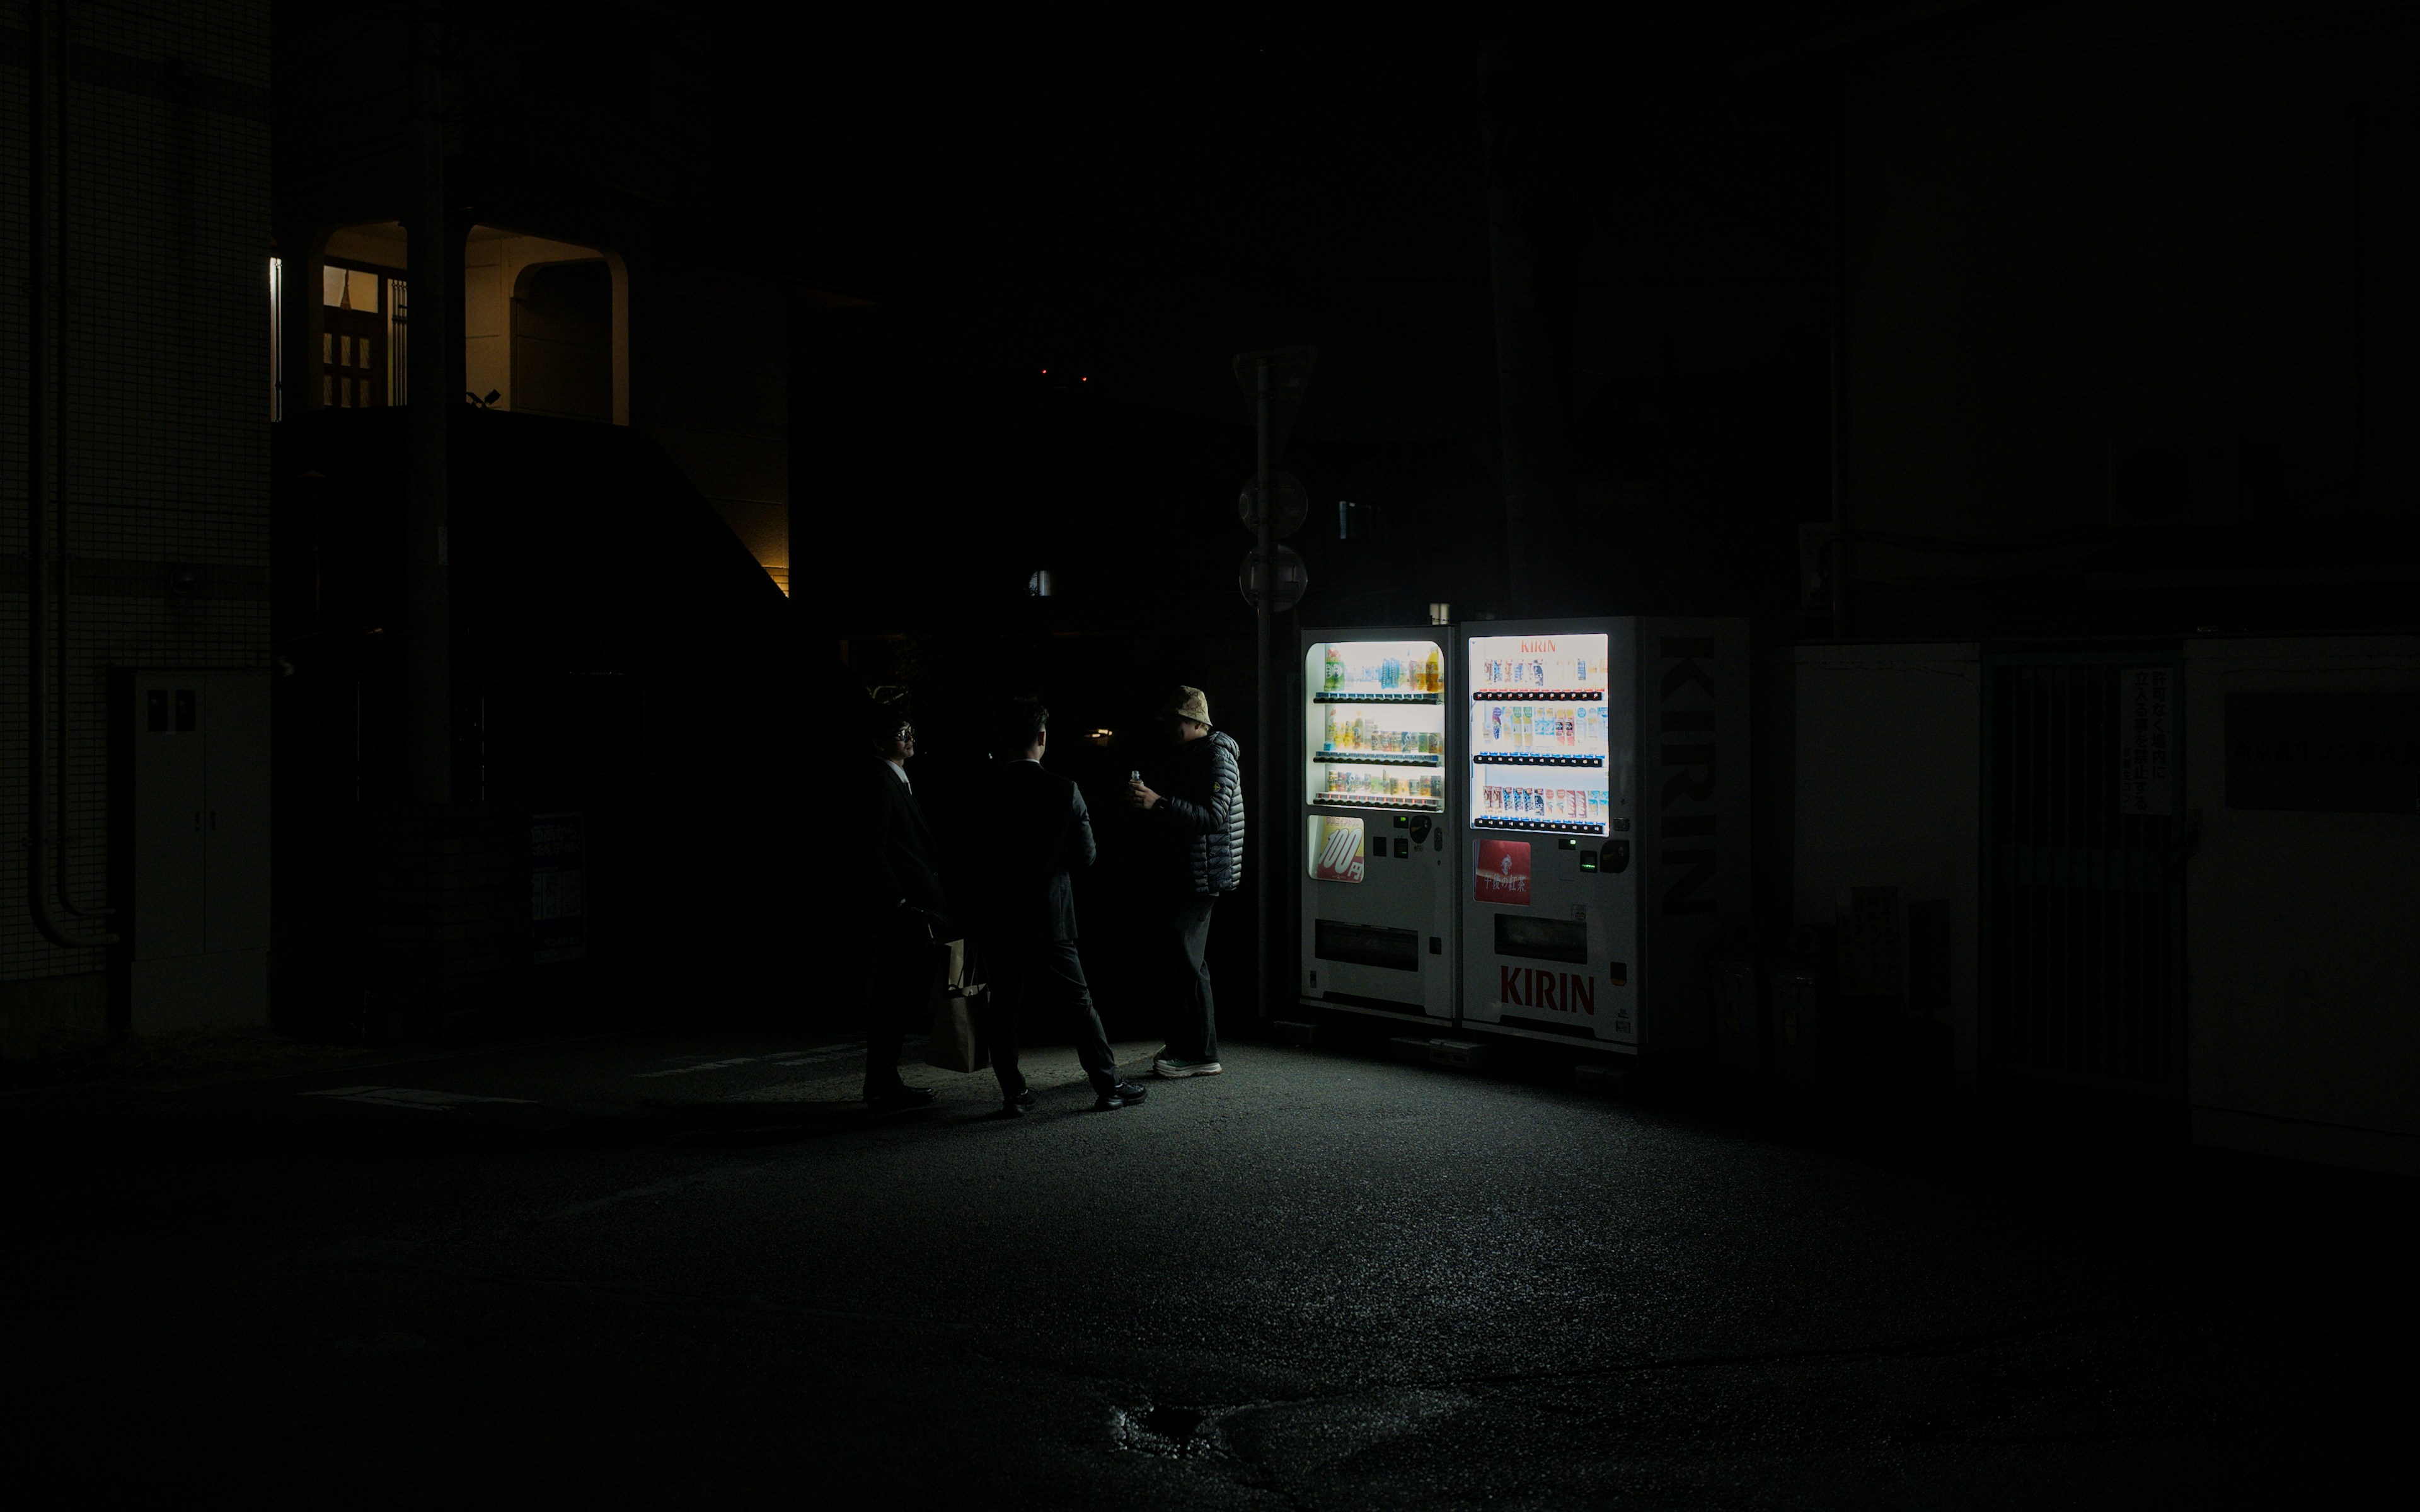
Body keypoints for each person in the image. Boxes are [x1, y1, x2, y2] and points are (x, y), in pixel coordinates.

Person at [973, 699, 1148, 1114]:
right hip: (1050, 914)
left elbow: (971, 855)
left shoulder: (984, 791)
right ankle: (1108, 1085)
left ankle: (1014, 1093)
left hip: (1000, 914)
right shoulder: (1064, 789)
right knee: (1077, 1002)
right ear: (1042, 738)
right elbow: (1086, 856)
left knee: (1004, 1006)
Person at [1125, 686, 1243, 1078]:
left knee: (1187, 960)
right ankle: (1189, 1043)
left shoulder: (1216, 755)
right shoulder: (1195, 753)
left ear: (1195, 722)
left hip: (1206, 873)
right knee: (1187, 959)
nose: (1169, 728)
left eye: (1175, 721)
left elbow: (1213, 816)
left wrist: (1159, 803)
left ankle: (1201, 1053)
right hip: (1195, 871)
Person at [858, 704, 948, 1110]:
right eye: (901, 733)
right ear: (879, 743)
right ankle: (883, 1084)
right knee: (895, 995)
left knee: (899, 996)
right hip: (904, 910)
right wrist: (899, 899)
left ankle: (885, 1080)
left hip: (912, 907)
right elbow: (872, 847)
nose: (910, 738)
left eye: (910, 730)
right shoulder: (880, 782)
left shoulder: (896, 780)